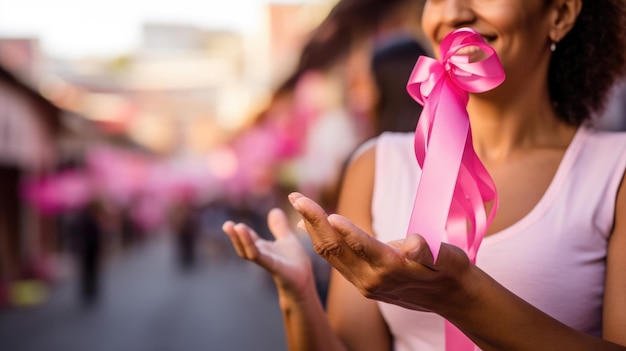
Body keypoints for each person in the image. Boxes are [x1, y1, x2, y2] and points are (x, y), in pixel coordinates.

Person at [222, 0, 626, 350]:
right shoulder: (376, 165)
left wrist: (461, 297)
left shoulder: (615, 172)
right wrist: (299, 296)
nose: (453, 13)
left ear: (560, 13)